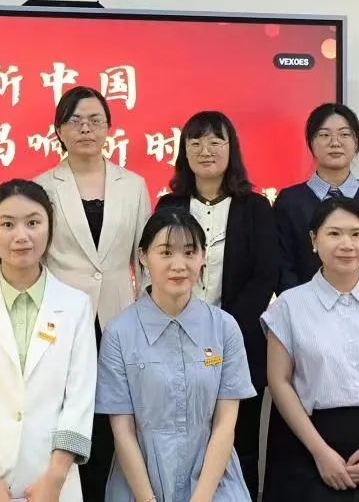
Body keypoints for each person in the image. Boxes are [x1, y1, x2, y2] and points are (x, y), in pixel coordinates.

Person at [0, 179, 96, 502]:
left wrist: (54, 477)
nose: (21, 236)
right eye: (7, 224)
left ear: (50, 229)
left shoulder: (76, 305)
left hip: (50, 482)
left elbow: (79, 398)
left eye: (33, 223)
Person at [261, 197, 359, 501]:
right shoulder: (288, 306)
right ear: (314, 240)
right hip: (309, 446)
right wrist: (320, 452)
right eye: (334, 233)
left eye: (357, 234)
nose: (346, 244)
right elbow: (279, 383)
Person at [154, 110, 278, 496]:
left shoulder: (255, 207)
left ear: (231, 149)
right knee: (178, 432)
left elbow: (265, 275)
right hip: (176, 339)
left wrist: (223, 329)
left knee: (239, 438)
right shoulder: (168, 206)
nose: (205, 150)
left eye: (215, 141)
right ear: (184, 152)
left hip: (238, 341)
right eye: (195, 142)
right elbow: (160, 270)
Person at [35, 85, 151, 497]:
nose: (86, 129)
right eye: (75, 121)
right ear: (59, 130)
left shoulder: (133, 185)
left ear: (108, 128)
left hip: (120, 318)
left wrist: (149, 315)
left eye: (95, 120)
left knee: (114, 419)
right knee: (65, 415)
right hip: (61, 322)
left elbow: (146, 258)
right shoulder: (42, 187)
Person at [97, 209, 256, 502]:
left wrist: (201, 497)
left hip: (213, 480)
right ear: (143, 256)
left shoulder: (224, 328)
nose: (179, 265)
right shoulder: (119, 332)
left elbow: (225, 423)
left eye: (190, 252)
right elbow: (122, 430)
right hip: (140, 481)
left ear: (203, 257)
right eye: (166, 252)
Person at [274, 103, 359, 294]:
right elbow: (283, 268)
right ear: (310, 143)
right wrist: (300, 307)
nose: (335, 142)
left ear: (357, 142)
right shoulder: (290, 201)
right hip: (305, 309)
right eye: (324, 135)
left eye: (344, 134)